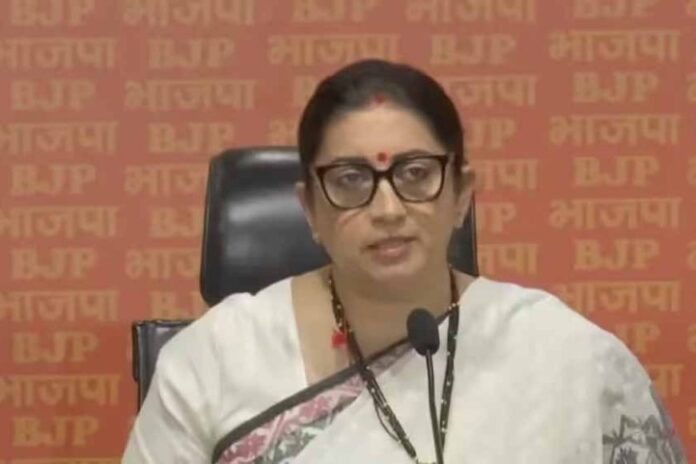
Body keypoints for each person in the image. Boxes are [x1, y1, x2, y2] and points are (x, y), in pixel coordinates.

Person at [122, 59, 687, 463]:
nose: (388, 209)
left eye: (416, 174)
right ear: (310, 208)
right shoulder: (213, 362)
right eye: (351, 179)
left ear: (461, 194)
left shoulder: (567, 357)